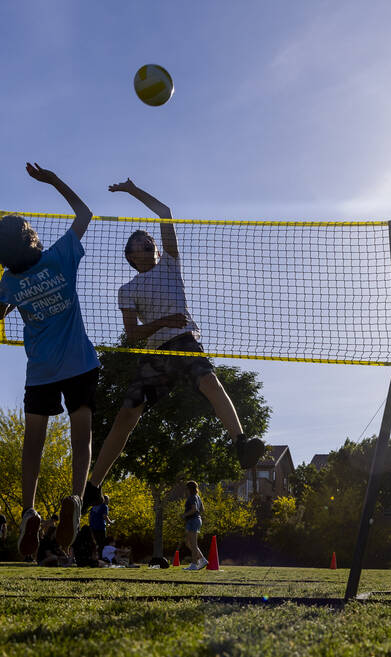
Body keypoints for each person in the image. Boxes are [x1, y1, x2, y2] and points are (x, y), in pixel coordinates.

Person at [81, 178, 265, 513]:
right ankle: (93, 485)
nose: (145, 240)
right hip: (156, 352)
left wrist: (133, 190)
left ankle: (240, 442)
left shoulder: (169, 263)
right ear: (131, 256)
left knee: (210, 382)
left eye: (147, 238)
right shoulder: (127, 289)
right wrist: (162, 323)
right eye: (137, 241)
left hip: (184, 343)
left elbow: (165, 212)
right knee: (127, 414)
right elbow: (132, 334)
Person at [0, 163, 100, 559]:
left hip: (40, 373)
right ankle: (74, 498)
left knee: (31, 446)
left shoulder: (10, 281)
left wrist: (1, 301)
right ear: (32, 238)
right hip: (81, 365)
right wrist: (53, 181)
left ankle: (28, 511)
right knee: (81, 437)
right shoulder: (60, 257)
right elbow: (85, 214)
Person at [182, 481, 208, 570]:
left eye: (186, 488)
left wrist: (185, 515)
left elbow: (194, 509)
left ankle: (194, 564)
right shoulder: (197, 497)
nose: (185, 490)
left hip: (193, 520)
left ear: (189, 489)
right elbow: (202, 509)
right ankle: (202, 559)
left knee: (193, 544)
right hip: (195, 520)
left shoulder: (192, 497)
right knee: (188, 543)